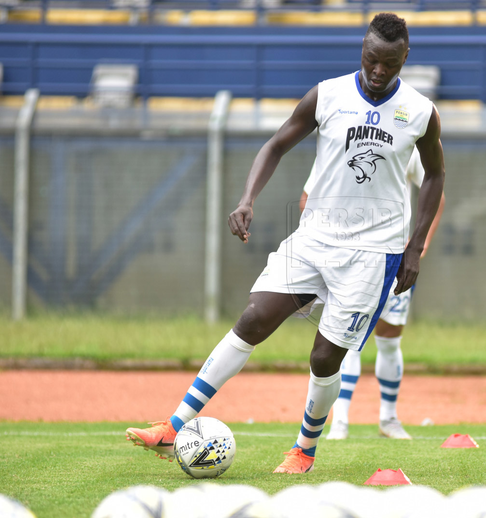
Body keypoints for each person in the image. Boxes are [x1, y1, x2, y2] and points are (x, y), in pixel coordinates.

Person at [125, 12, 445, 474]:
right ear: (362, 48)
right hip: (314, 237)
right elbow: (275, 145)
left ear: (404, 58)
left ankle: (304, 450)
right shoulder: (328, 94)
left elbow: (435, 175)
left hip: (375, 254)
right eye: (371, 59)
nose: (378, 71)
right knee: (254, 318)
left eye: (389, 64)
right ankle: (174, 426)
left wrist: (414, 248)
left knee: (323, 356)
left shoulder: (419, 110)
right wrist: (247, 199)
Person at [299, 149, 445, 440]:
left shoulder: (407, 139)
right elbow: (307, 198)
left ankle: (388, 419)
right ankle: (339, 421)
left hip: (391, 258)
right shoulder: (338, 140)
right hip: (347, 262)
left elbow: (436, 189)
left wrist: (420, 245)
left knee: (390, 339)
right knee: (347, 339)